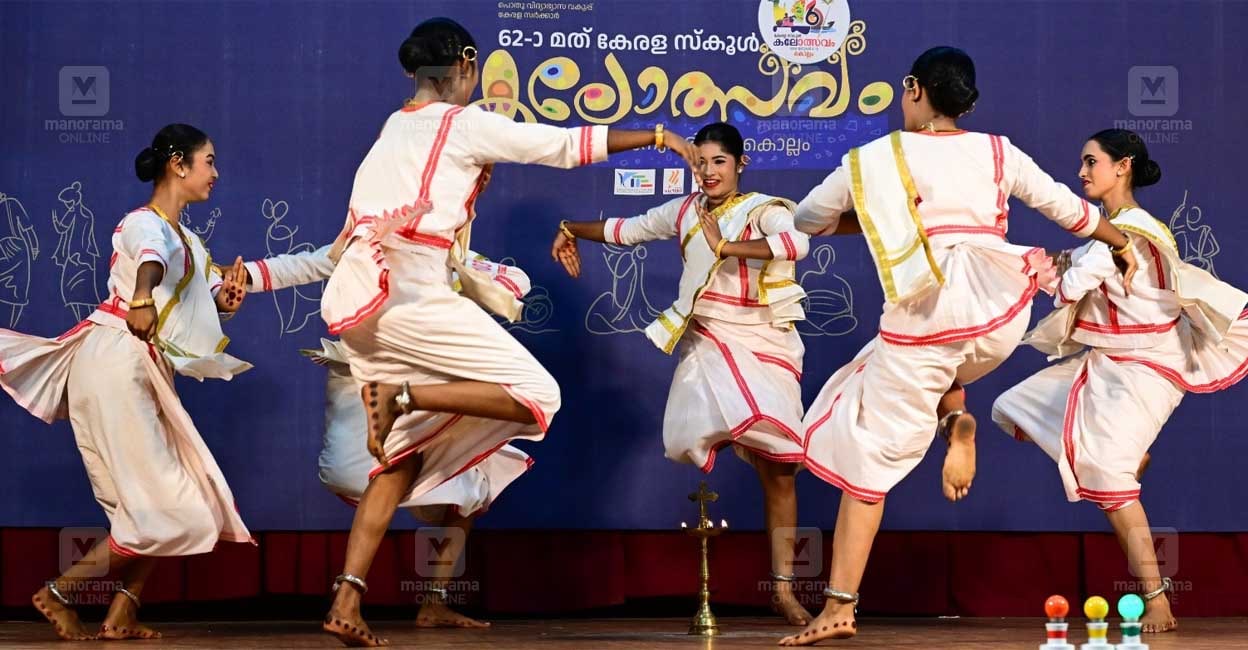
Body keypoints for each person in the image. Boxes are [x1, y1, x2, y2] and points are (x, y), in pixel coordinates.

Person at [318, 17, 698, 647]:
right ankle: (404, 397)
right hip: (409, 290)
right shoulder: (462, 122)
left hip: (364, 299)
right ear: (466, 65)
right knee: (539, 395)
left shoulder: (394, 126)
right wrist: (656, 135)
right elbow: (564, 147)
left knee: (399, 460)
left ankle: (346, 599)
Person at [780, 47, 1138, 645]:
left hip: (924, 316)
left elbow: (808, 221)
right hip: (996, 314)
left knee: (868, 463)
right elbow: (1069, 210)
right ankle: (958, 422)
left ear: (913, 88)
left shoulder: (875, 158)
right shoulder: (998, 151)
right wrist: (1119, 242)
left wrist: (876, 215)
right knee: (948, 365)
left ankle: (839, 607)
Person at [0, 123, 255, 641]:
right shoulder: (144, 224)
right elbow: (150, 263)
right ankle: (58, 593)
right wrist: (141, 298)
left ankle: (121, 613)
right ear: (178, 164)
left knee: (166, 500)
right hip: (115, 361)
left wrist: (225, 302)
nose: (216, 172)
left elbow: (201, 300)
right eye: (209, 161)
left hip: (138, 367)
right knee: (164, 505)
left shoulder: (192, 241)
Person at [554, 122, 814, 624]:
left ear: (740, 165)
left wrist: (729, 248)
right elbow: (625, 231)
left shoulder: (766, 210)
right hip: (710, 337)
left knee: (781, 470)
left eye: (719, 162)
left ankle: (783, 589)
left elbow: (794, 246)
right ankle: (728, 436)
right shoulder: (683, 212)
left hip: (768, 342)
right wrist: (570, 227)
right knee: (697, 439)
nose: (709, 171)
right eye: (701, 161)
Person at [992, 129, 1248, 634]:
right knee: (1010, 405)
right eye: (1082, 163)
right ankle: (1125, 460)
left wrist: (1035, 269)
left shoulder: (1128, 228)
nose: (1082, 172)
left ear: (1123, 166)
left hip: (1148, 367)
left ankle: (1157, 601)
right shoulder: (1111, 231)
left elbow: (1069, 288)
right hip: (1108, 361)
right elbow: (1088, 278)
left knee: (1109, 480)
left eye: (1092, 162)